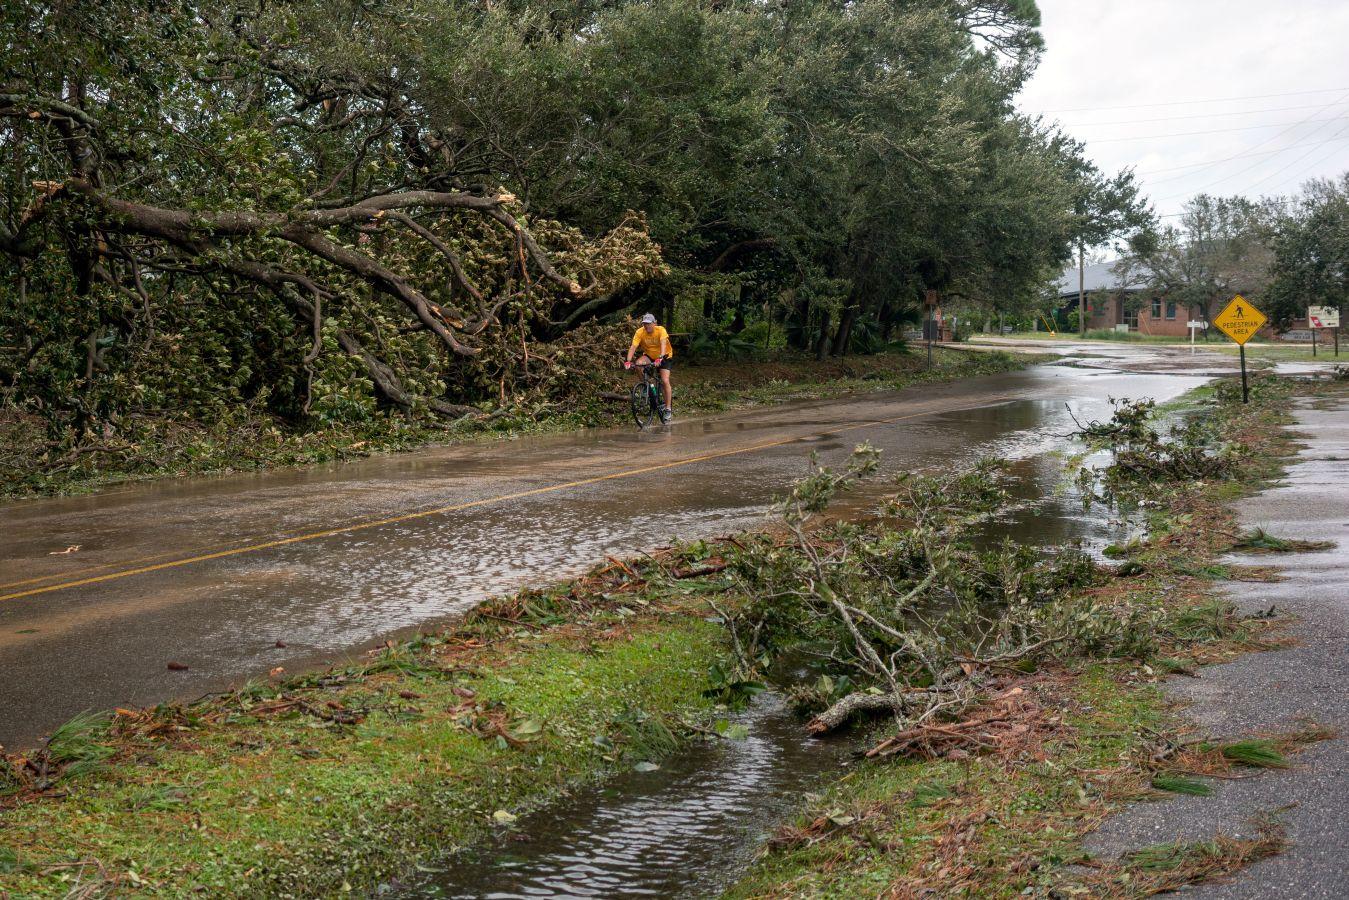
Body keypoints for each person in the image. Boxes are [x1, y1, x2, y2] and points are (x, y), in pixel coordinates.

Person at [624, 312, 674, 422]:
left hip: (664, 356)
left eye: (648, 323)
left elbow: (663, 344)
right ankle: (647, 386)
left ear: (654, 323)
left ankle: (668, 409)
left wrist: (660, 358)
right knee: (638, 365)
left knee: (665, 380)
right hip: (649, 356)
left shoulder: (660, 330)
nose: (646, 326)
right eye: (644, 324)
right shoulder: (640, 332)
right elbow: (633, 347)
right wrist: (628, 361)